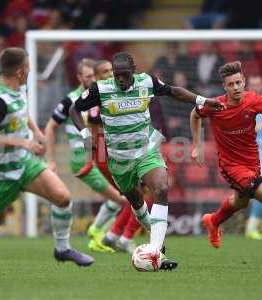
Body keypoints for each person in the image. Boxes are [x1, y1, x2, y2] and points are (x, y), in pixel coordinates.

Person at [0, 47, 94, 277]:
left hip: (23, 164)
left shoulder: (19, 88)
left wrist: (37, 133)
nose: (31, 69)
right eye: (29, 66)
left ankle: (62, 249)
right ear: (22, 71)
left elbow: (22, 114)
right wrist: (24, 143)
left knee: (62, 197)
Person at [70, 51, 223, 270]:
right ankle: (152, 246)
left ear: (133, 71)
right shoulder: (101, 89)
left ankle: (155, 252)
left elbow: (174, 92)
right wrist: (85, 134)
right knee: (137, 203)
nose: (120, 80)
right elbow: (74, 109)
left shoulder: (147, 82)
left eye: (125, 75)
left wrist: (202, 100)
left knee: (161, 188)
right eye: (117, 75)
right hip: (119, 160)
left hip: (145, 152)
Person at [44, 59, 126, 253]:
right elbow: (50, 127)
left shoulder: (103, 94)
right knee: (123, 199)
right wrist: (51, 160)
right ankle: (100, 234)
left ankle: (102, 234)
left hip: (103, 151)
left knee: (124, 196)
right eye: (87, 76)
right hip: (82, 156)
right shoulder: (71, 100)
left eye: (93, 76)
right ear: (80, 78)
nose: (91, 79)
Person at [191, 62, 262, 248]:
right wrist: (196, 145)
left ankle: (213, 221)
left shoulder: (253, 100)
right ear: (225, 86)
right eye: (231, 84)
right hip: (231, 165)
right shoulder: (215, 105)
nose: (236, 87)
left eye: (238, 83)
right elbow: (195, 114)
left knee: (241, 202)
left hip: (252, 163)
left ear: (244, 82)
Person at [245, 75, 262, 240]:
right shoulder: (245, 106)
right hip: (253, 154)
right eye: (253, 84)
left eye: (258, 84)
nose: (256, 87)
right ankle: (251, 226)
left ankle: (252, 226)